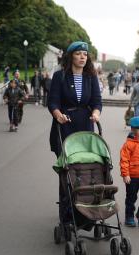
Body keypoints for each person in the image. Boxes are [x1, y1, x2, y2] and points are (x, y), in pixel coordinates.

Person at [47, 40, 102, 226]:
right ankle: (67, 216)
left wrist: (95, 113)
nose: (82, 57)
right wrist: (58, 115)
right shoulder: (60, 76)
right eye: (78, 54)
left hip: (86, 129)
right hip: (64, 128)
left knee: (87, 171)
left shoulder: (91, 77)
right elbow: (52, 102)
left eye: (85, 54)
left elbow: (97, 101)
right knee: (67, 173)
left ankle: (86, 215)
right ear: (71, 56)